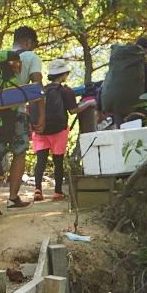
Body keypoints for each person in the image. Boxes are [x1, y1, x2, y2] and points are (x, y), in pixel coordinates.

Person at [0, 26, 44, 217]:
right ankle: (12, 198)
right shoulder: (31, 57)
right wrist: (41, 115)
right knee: (19, 153)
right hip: (17, 114)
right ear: (29, 42)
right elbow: (37, 86)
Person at [27, 59, 89, 201]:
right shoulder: (65, 90)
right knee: (58, 161)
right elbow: (73, 110)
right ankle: (57, 192)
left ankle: (37, 190)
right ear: (63, 75)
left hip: (40, 130)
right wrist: (89, 103)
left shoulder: (41, 90)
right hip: (58, 131)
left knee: (41, 160)